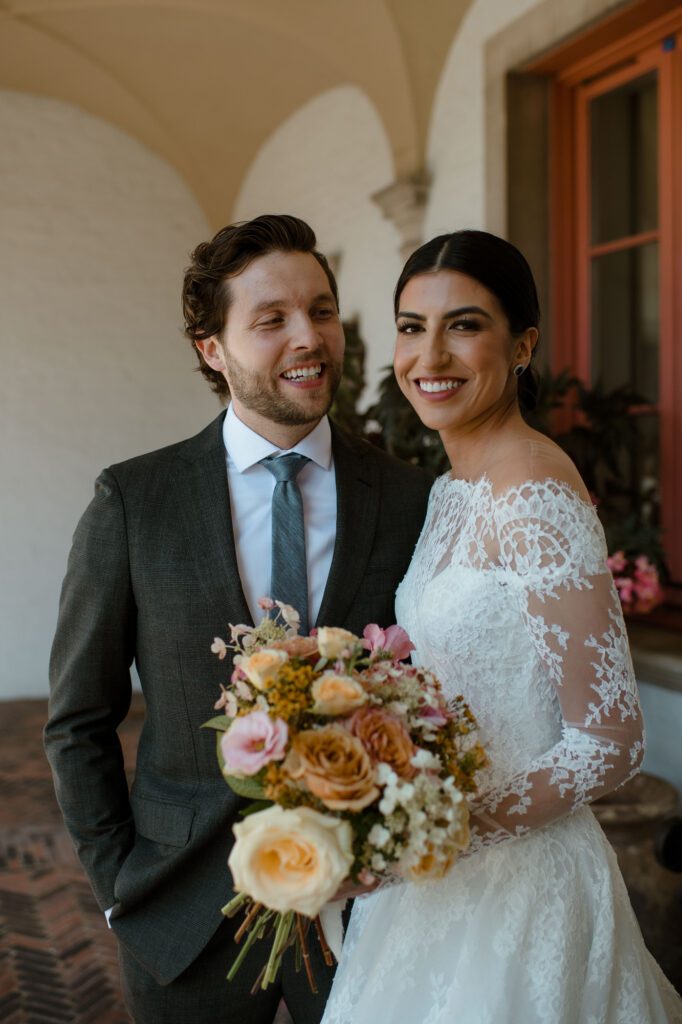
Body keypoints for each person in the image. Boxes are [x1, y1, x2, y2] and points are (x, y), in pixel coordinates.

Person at [45, 214, 432, 1024]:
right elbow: (79, 719)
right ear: (212, 349)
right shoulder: (134, 502)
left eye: (321, 311)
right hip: (183, 908)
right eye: (272, 319)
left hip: (372, 911)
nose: (309, 337)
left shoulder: (407, 497)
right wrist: (118, 886)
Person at [322, 230, 682, 1024]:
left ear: (523, 344)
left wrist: (435, 836)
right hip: (432, 884)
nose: (430, 356)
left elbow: (611, 739)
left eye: (464, 325)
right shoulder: (453, 487)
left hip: (521, 894)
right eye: (412, 327)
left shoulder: (534, 494)